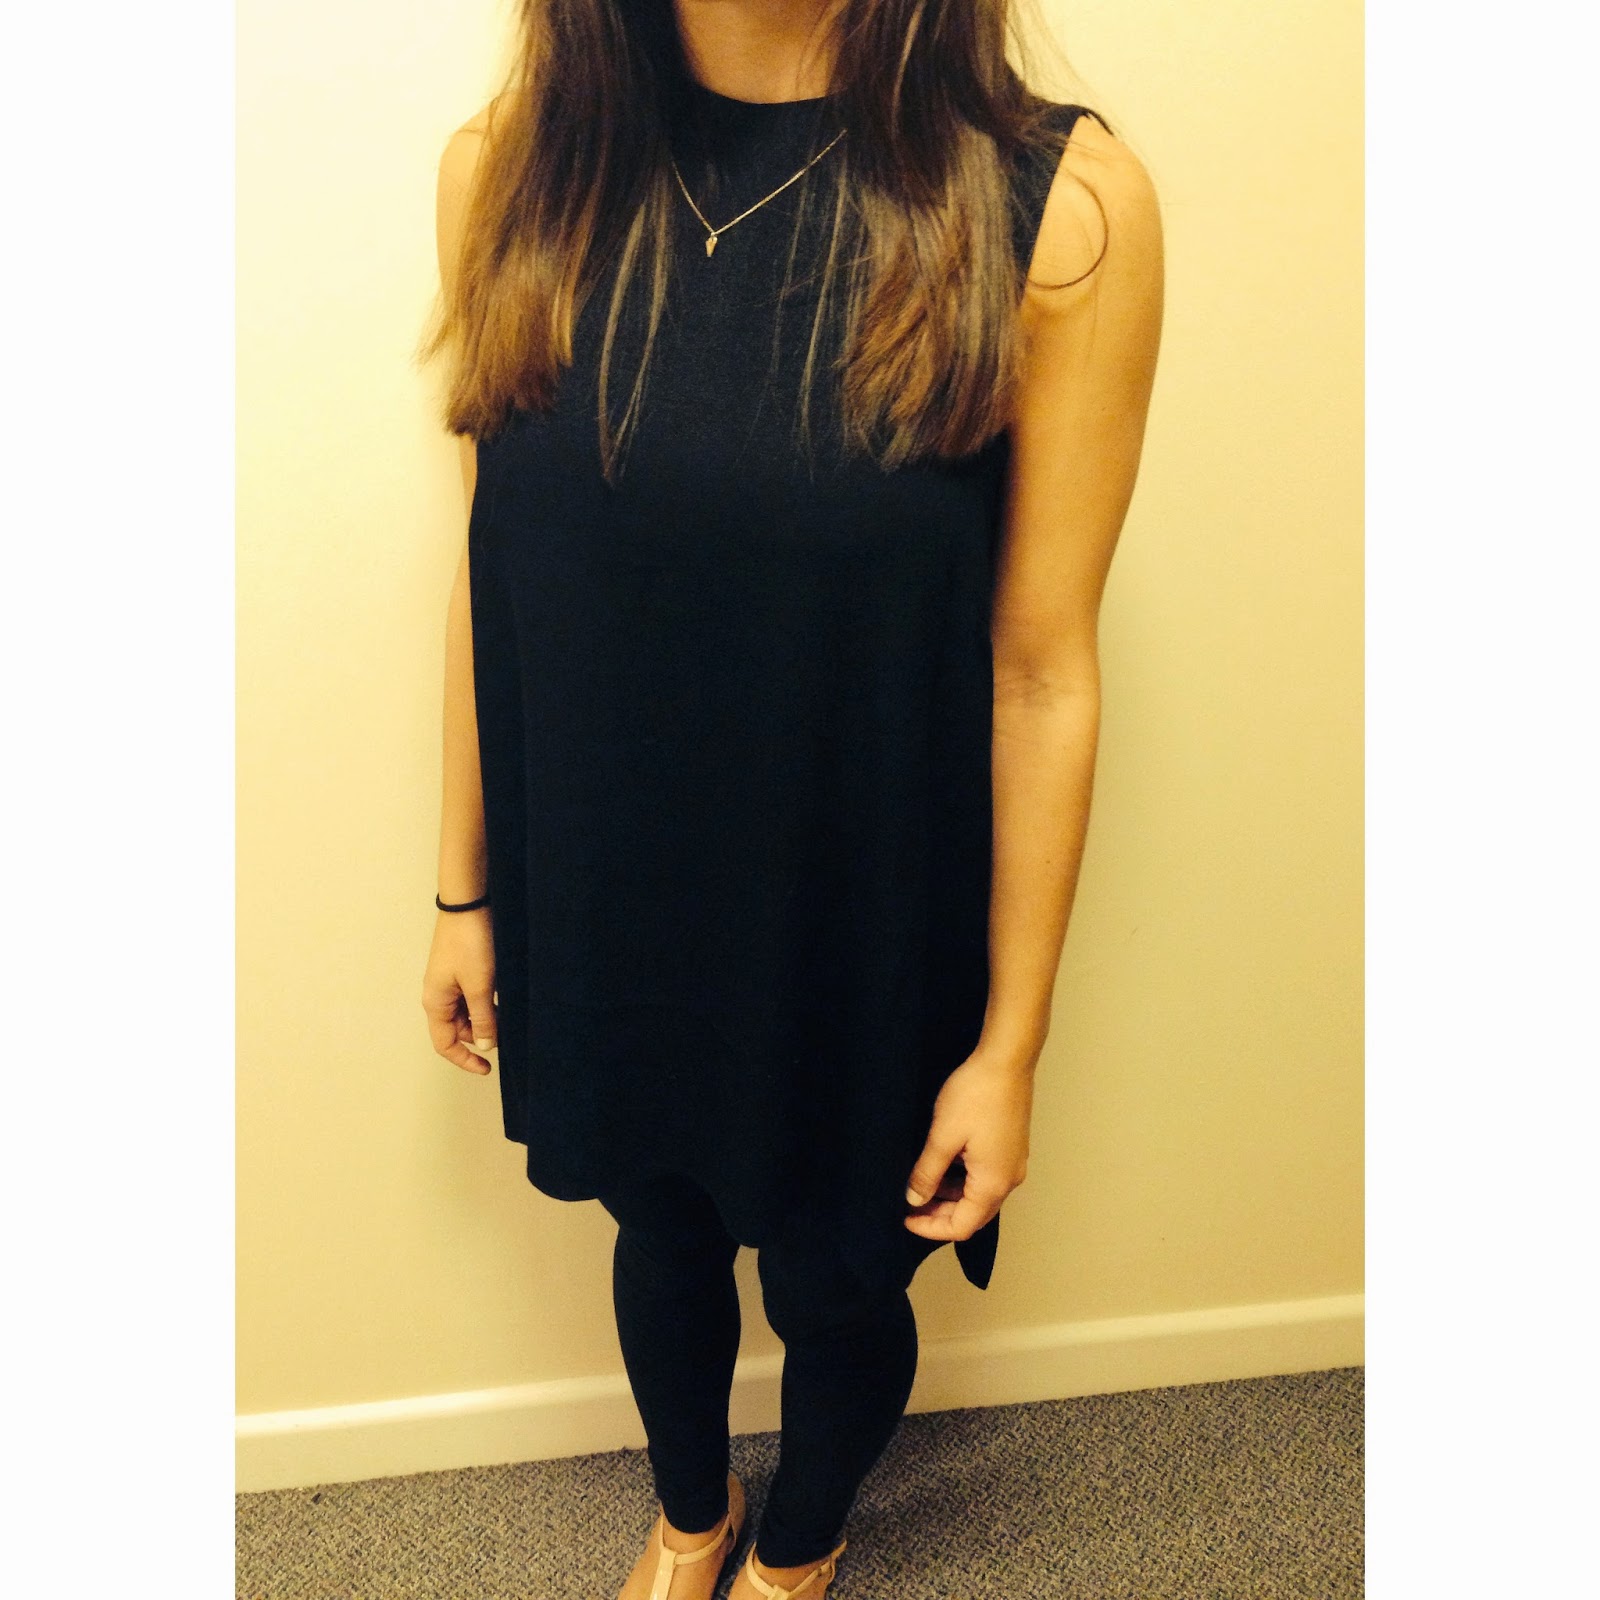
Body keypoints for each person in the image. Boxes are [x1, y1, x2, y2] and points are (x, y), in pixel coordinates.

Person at [419, 0, 1162, 1594]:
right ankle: (693, 1521)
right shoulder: (513, 174)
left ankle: (800, 1547)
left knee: (839, 1285)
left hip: (859, 915)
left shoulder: (1052, 208)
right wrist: (462, 891)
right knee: (659, 1231)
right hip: (614, 898)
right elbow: (493, 580)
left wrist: (1009, 1047)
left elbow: (1042, 673)